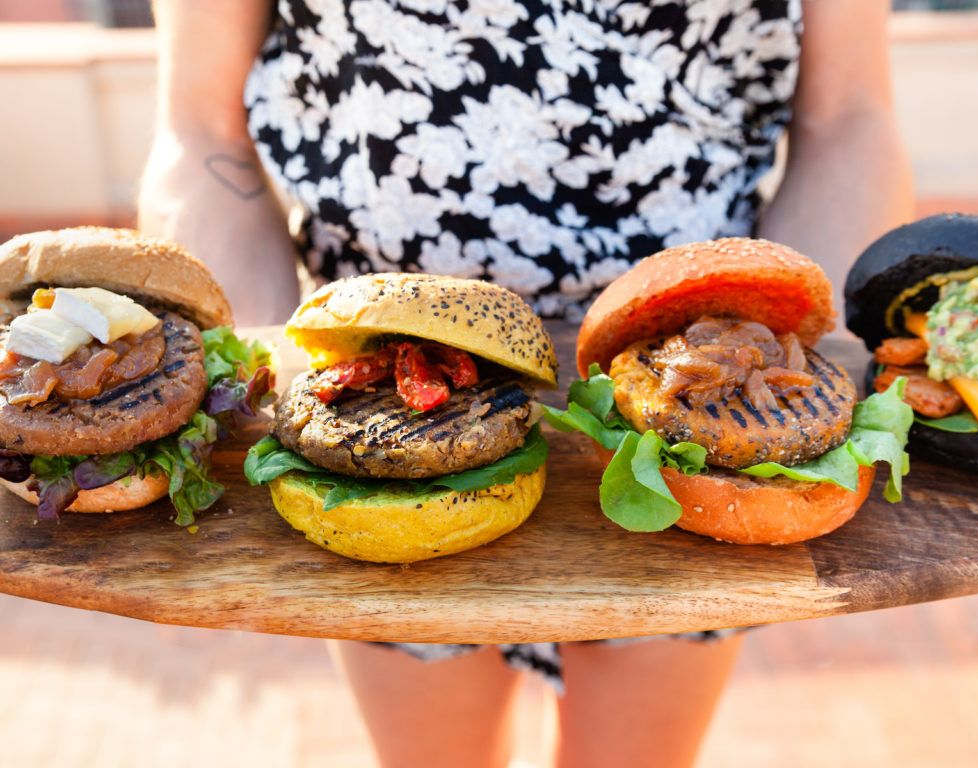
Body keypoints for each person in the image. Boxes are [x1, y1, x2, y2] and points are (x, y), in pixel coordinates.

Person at [137, 1, 914, 766]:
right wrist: (250, 387)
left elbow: (846, 115)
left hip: (699, 380)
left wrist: (812, 369)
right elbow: (203, 127)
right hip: (364, 380)